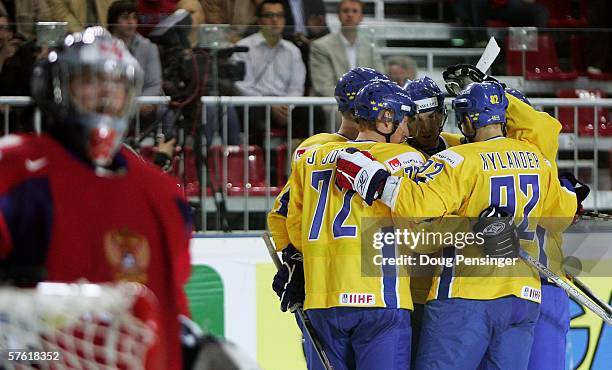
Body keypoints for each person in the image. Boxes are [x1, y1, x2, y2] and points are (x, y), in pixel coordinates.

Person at [335, 81, 578, 369]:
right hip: (523, 296)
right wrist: (570, 193)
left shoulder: (459, 158)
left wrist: (378, 182)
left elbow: (416, 206)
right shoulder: (537, 159)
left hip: (467, 293)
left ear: (467, 119)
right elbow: (562, 216)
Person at [0, 28, 192, 370]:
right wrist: (26, 357)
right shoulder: (15, 172)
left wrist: (192, 349)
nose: (107, 92)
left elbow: (168, 307)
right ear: (56, 88)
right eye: (89, 80)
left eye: (118, 83)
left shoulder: (162, 195)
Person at [279, 80, 424, 369]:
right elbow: (421, 219)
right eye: (404, 121)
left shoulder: (312, 156)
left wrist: (295, 260)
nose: (407, 132)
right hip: (381, 298)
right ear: (386, 119)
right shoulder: (406, 157)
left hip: (321, 298)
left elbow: (292, 223)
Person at [268, 66, 388, 255]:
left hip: (321, 261)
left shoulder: (313, 147)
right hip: (361, 261)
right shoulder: (382, 150)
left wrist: (291, 255)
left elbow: (281, 210)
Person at [232, 0, 307, 144]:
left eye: (279, 15)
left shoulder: (293, 51)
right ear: (259, 20)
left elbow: (296, 88)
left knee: (312, 113)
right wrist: (270, 106)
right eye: (269, 15)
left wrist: (286, 107)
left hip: (285, 106)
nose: (275, 20)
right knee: (253, 114)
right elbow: (242, 86)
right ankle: (263, 163)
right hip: (256, 104)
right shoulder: (243, 47)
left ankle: (303, 160)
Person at [309, 0, 383, 98]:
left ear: (361, 17)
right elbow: (324, 86)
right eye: (345, 11)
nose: (350, 14)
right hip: (334, 103)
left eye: (355, 11)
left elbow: (380, 79)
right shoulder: (320, 46)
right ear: (338, 15)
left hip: (366, 103)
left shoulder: (370, 47)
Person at [47, 0, 115, 33]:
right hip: (74, 38)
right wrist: (84, 35)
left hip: (108, 38)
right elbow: (61, 14)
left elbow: (117, 8)